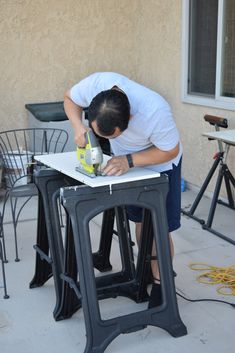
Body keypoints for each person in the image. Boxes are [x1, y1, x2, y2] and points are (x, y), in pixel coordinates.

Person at [64, 72, 182, 308]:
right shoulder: (98, 83)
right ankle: (147, 271)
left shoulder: (155, 111)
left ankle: (163, 283)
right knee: (139, 221)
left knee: (158, 226)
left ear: (130, 118)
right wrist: (78, 127)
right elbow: (70, 98)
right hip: (125, 161)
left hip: (159, 161)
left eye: (112, 135)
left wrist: (128, 161)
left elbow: (169, 150)